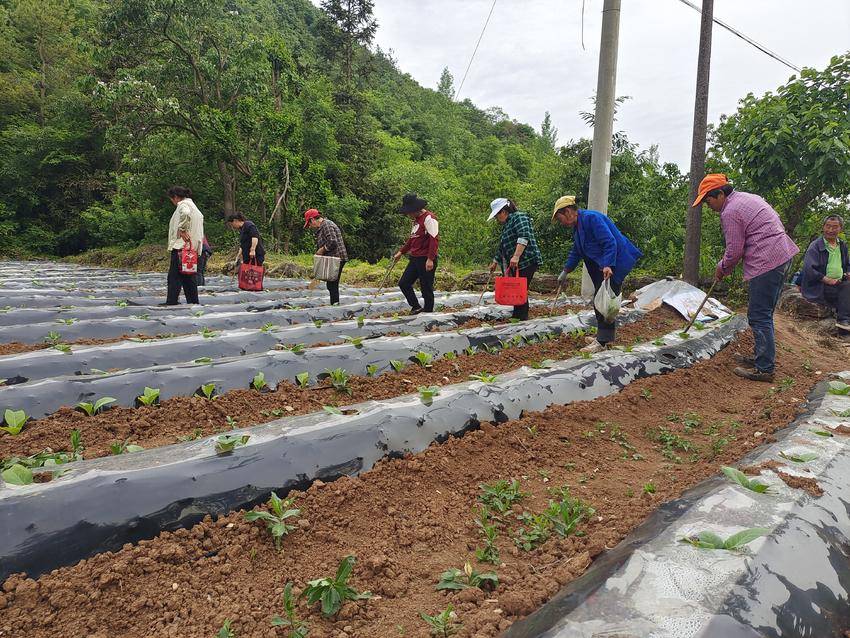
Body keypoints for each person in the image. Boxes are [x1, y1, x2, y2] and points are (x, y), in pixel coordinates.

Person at [693, 174, 799, 382]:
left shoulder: (730, 211)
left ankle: (765, 368)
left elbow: (734, 251)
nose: (708, 206)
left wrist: (721, 268)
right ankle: (762, 357)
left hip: (767, 260)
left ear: (721, 194)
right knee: (764, 313)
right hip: (781, 255)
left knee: (759, 315)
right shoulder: (748, 198)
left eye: (709, 200)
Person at [552, 195, 642, 353]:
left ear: (567, 212)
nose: (562, 223)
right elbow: (577, 251)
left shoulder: (591, 219)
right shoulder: (578, 227)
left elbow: (609, 241)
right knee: (601, 301)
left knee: (604, 303)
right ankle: (604, 337)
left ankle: (602, 342)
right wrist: (566, 270)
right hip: (601, 266)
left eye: (560, 219)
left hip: (614, 263)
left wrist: (608, 264)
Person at [487, 198, 543, 320]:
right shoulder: (507, 225)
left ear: (503, 211)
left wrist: (516, 256)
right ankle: (517, 317)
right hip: (516, 263)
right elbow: (503, 246)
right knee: (517, 290)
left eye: (497, 215)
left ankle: (521, 319)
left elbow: (523, 236)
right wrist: (495, 262)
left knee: (520, 290)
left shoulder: (519, 217)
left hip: (526, 261)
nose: (497, 219)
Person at [801, 215, 850, 331]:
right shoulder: (815, 246)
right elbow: (809, 269)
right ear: (823, 227)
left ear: (840, 229)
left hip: (838, 283)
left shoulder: (842, 245)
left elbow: (847, 264)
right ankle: (843, 321)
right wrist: (826, 279)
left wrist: (848, 272)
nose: (830, 230)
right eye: (828, 226)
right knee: (847, 289)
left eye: (834, 227)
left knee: (846, 287)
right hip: (819, 286)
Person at [393, 193, 439, 314]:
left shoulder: (429, 218)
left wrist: (430, 259)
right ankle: (416, 306)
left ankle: (428, 312)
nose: (408, 215)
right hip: (415, 258)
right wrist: (401, 252)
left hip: (425, 258)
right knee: (404, 283)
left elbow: (434, 239)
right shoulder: (416, 221)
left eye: (409, 212)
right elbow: (412, 239)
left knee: (426, 287)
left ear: (416, 209)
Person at [165, 186, 204, 305]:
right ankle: (193, 302)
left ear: (175, 197)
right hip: (192, 249)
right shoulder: (195, 207)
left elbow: (185, 213)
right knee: (188, 277)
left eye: (172, 199)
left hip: (181, 247)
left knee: (174, 277)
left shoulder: (183, 205)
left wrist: (182, 229)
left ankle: (171, 302)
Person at [304, 208, 349, 305]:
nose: (311, 226)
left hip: (337, 259)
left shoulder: (326, 225)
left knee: (332, 284)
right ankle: (334, 304)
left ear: (312, 219)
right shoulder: (323, 226)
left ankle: (335, 305)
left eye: (310, 224)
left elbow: (333, 242)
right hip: (333, 258)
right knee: (331, 284)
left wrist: (322, 250)